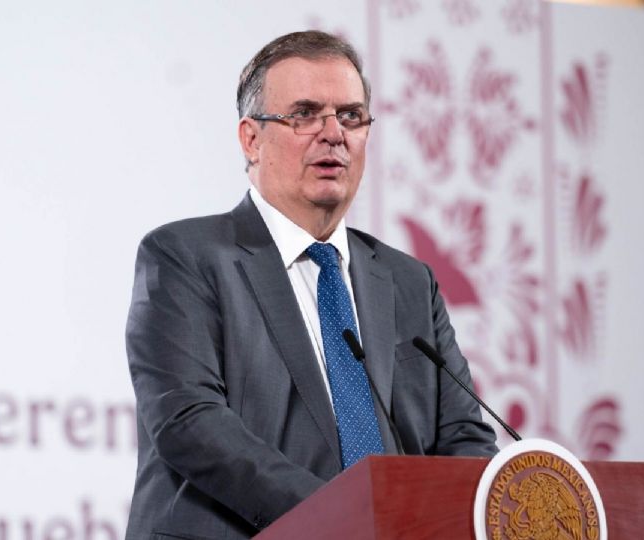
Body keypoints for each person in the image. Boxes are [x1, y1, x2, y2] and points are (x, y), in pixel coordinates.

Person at [124, 30, 497, 540]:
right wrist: (346, 518)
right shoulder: (185, 257)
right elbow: (190, 423)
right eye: (304, 114)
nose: (333, 134)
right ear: (251, 139)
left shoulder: (410, 282)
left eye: (350, 116)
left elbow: (463, 436)